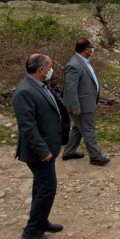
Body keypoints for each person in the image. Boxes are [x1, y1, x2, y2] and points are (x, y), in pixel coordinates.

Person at [13, 54, 70, 239]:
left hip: (49, 147)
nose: (52, 70)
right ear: (42, 70)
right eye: (50, 67)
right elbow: (27, 127)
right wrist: (43, 151)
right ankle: (31, 232)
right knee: (47, 188)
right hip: (39, 151)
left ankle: (41, 221)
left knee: (40, 187)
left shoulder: (39, 85)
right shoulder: (24, 91)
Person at [62, 38, 110, 166]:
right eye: (91, 47)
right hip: (81, 106)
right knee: (89, 130)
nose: (92, 49)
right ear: (86, 49)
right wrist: (75, 106)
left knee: (78, 128)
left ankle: (69, 152)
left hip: (87, 104)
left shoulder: (83, 61)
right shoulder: (73, 65)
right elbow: (70, 89)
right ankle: (95, 156)